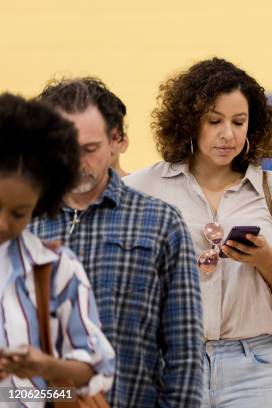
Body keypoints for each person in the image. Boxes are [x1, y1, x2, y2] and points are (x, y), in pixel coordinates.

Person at [124, 57, 272, 407]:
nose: (227, 134)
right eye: (214, 120)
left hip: (257, 363)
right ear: (188, 122)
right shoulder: (144, 187)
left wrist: (266, 260)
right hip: (170, 361)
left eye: (238, 121)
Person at [31, 78, 204, 407]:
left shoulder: (160, 223)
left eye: (89, 149)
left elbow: (184, 354)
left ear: (115, 141)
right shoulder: (21, 225)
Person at [0, 93, 115, 406]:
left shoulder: (56, 268)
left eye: (19, 213)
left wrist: (45, 367)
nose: (3, 223)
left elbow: (91, 373)